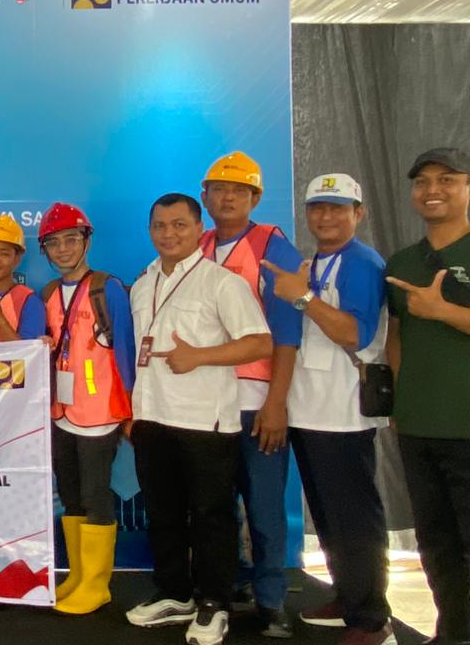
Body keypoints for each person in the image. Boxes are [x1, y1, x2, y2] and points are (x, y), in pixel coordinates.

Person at [124, 193, 272, 645]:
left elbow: (259, 343)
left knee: (211, 516)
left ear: (198, 228)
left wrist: (200, 356)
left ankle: (215, 602)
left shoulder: (222, 283)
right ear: (149, 230)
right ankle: (175, 593)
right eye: (160, 226)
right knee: (162, 512)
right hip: (152, 415)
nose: (168, 234)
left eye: (179, 225)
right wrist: (135, 412)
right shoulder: (143, 282)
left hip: (204, 420)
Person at [263, 174, 395, 645]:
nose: (326, 217)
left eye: (338, 208)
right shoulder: (311, 263)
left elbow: (354, 334)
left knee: (355, 519)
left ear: (358, 213)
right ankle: (347, 596)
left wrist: (302, 297)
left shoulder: (362, 263)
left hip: (343, 414)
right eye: (318, 207)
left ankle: (372, 619)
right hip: (308, 410)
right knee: (327, 515)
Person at [199, 152, 302, 637]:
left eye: (239, 190)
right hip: (205, 402)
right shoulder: (197, 245)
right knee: (216, 505)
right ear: (204, 196)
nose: (227, 197)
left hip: (255, 401)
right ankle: (234, 584)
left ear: (255, 198)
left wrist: (276, 403)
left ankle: (272, 598)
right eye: (219, 189)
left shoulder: (272, 246)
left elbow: (287, 332)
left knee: (263, 506)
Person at [384, 147, 470, 645]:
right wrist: (399, 398)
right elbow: (396, 336)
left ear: (467, 187)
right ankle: (451, 632)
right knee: (436, 543)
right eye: (422, 181)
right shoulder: (403, 262)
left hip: (466, 424)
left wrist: (444, 312)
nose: (433, 189)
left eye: (447, 179)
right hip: (418, 424)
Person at [35, 203, 134, 616]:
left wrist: (132, 409)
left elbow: (125, 349)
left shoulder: (107, 289)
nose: (63, 249)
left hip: (100, 412)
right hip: (60, 411)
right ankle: (77, 575)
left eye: (71, 239)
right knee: (72, 496)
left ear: (87, 241)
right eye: (54, 243)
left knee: (96, 495)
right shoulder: (48, 294)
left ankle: (97, 585)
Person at [0, 214, 43, 343]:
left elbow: (30, 353)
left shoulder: (29, 301)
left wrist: (0, 320)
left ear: (16, 259)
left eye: (4, 254)